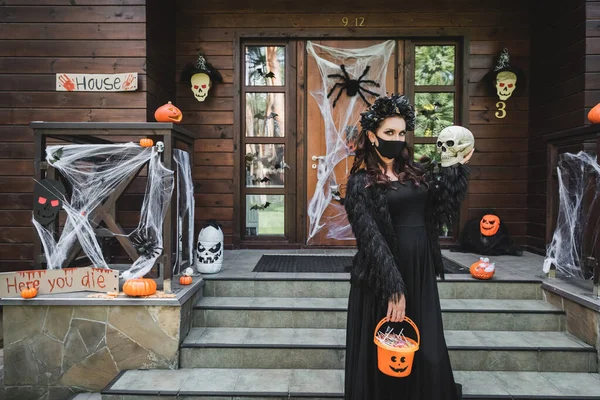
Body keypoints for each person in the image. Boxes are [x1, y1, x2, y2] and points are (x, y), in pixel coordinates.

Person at [343, 94, 473, 400]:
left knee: (426, 345)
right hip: (384, 275)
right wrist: (394, 288)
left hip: (420, 269)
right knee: (389, 348)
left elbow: (440, 210)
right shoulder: (360, 182)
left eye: (401, 133)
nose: (397, 139)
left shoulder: (415, 172)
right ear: (373, 136)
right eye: (389, 133)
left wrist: (455, 169)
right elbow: (370, 238)